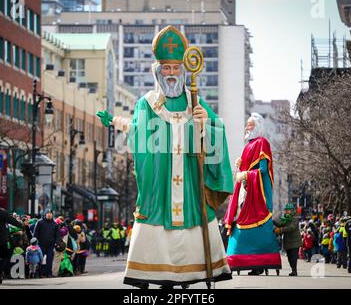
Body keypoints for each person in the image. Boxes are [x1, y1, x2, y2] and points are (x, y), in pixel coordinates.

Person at [97, 25, 234, 289]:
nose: (171, 74)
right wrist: (115, 121)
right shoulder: (146, 103)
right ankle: (158, 273)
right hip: (160, 183)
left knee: (194, 217)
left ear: (183, 71)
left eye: (175, 68)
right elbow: (138, 131)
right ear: (158, 72)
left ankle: (190, 273)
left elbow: (217, 132)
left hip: (191, 184)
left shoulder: (196, 100)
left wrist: (206, 123)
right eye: (166, 68)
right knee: (155, 217)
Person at [224, 113, 281, 275]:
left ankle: (259, 264)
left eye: (249, 125)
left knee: (251, 230)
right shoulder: (248, 145)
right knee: (238, 225)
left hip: (257, 195)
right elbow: (246, 171)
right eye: (247, 124)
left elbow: (262, 170)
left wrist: (246, 174)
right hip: (246, 191)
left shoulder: (261, 143)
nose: (246, 127)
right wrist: (240, 168)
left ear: (257, 126)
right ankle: (244, 261)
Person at [273, 203, 302, 276]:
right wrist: (273, 221)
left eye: (287, 210)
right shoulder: (286, 219)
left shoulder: (294, 218)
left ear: (291, 211)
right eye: (285, 210)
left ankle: (294, 271)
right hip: (288, 242)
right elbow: (280, 224)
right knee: (289, 257)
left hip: (295, 242)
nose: (286, 211)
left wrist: (280, 230)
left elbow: (291, 228)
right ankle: (293, 270)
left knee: (293, 257)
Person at [33, 210, 59, 278]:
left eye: (50, 213)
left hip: (51, 245)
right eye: (48, 213)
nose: (49, 215)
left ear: (52, 215)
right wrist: (35, 243)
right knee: (39, 260)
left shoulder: (55, 224)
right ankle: (38, 273)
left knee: (49, 260)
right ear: (45, 214)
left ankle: (49, 273)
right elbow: (35, 233)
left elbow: (57, 235)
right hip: (41, 244)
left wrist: (57, 243)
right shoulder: (40, 222)